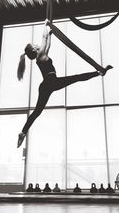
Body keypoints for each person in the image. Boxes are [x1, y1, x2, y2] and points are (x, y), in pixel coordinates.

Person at [17, 20, 113, 148]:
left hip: (47, 84)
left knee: (38, 111)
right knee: (76, 78)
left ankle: (23, 133)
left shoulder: (42, 55)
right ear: (34, 49)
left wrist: (50, 33)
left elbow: (47, 44)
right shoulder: (40, 55)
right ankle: (99, 73)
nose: (37, 44)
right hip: (51, 82)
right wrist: (46, 25)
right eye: (35, 44)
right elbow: (44, 40)